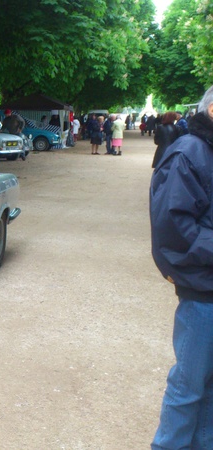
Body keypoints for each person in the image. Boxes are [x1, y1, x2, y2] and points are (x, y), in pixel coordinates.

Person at [150, 84, 213, 449]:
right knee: (188, 386)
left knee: (207, 387)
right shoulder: (190, 152)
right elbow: (172, 227)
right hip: (203, 293)